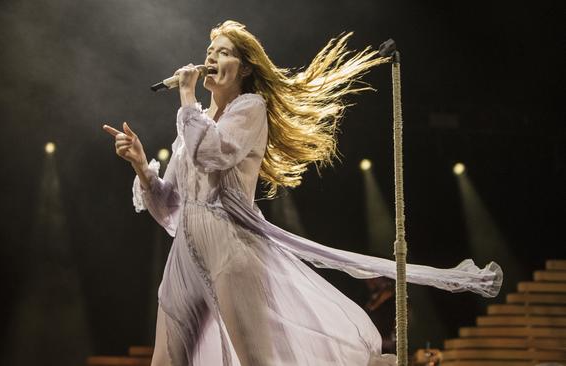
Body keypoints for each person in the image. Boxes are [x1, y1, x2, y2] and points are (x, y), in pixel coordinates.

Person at [103, 20, 502, 366]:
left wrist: (187, 97)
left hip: (230, 249)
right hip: (185, 257)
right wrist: (141, 165)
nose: (210, 58)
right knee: (165, 359)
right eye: (209, 51)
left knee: (254, 358)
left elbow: (212, 154)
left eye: (222, 52)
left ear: (242, 68)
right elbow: (169, 208)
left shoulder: (249, 108)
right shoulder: (193, 122)